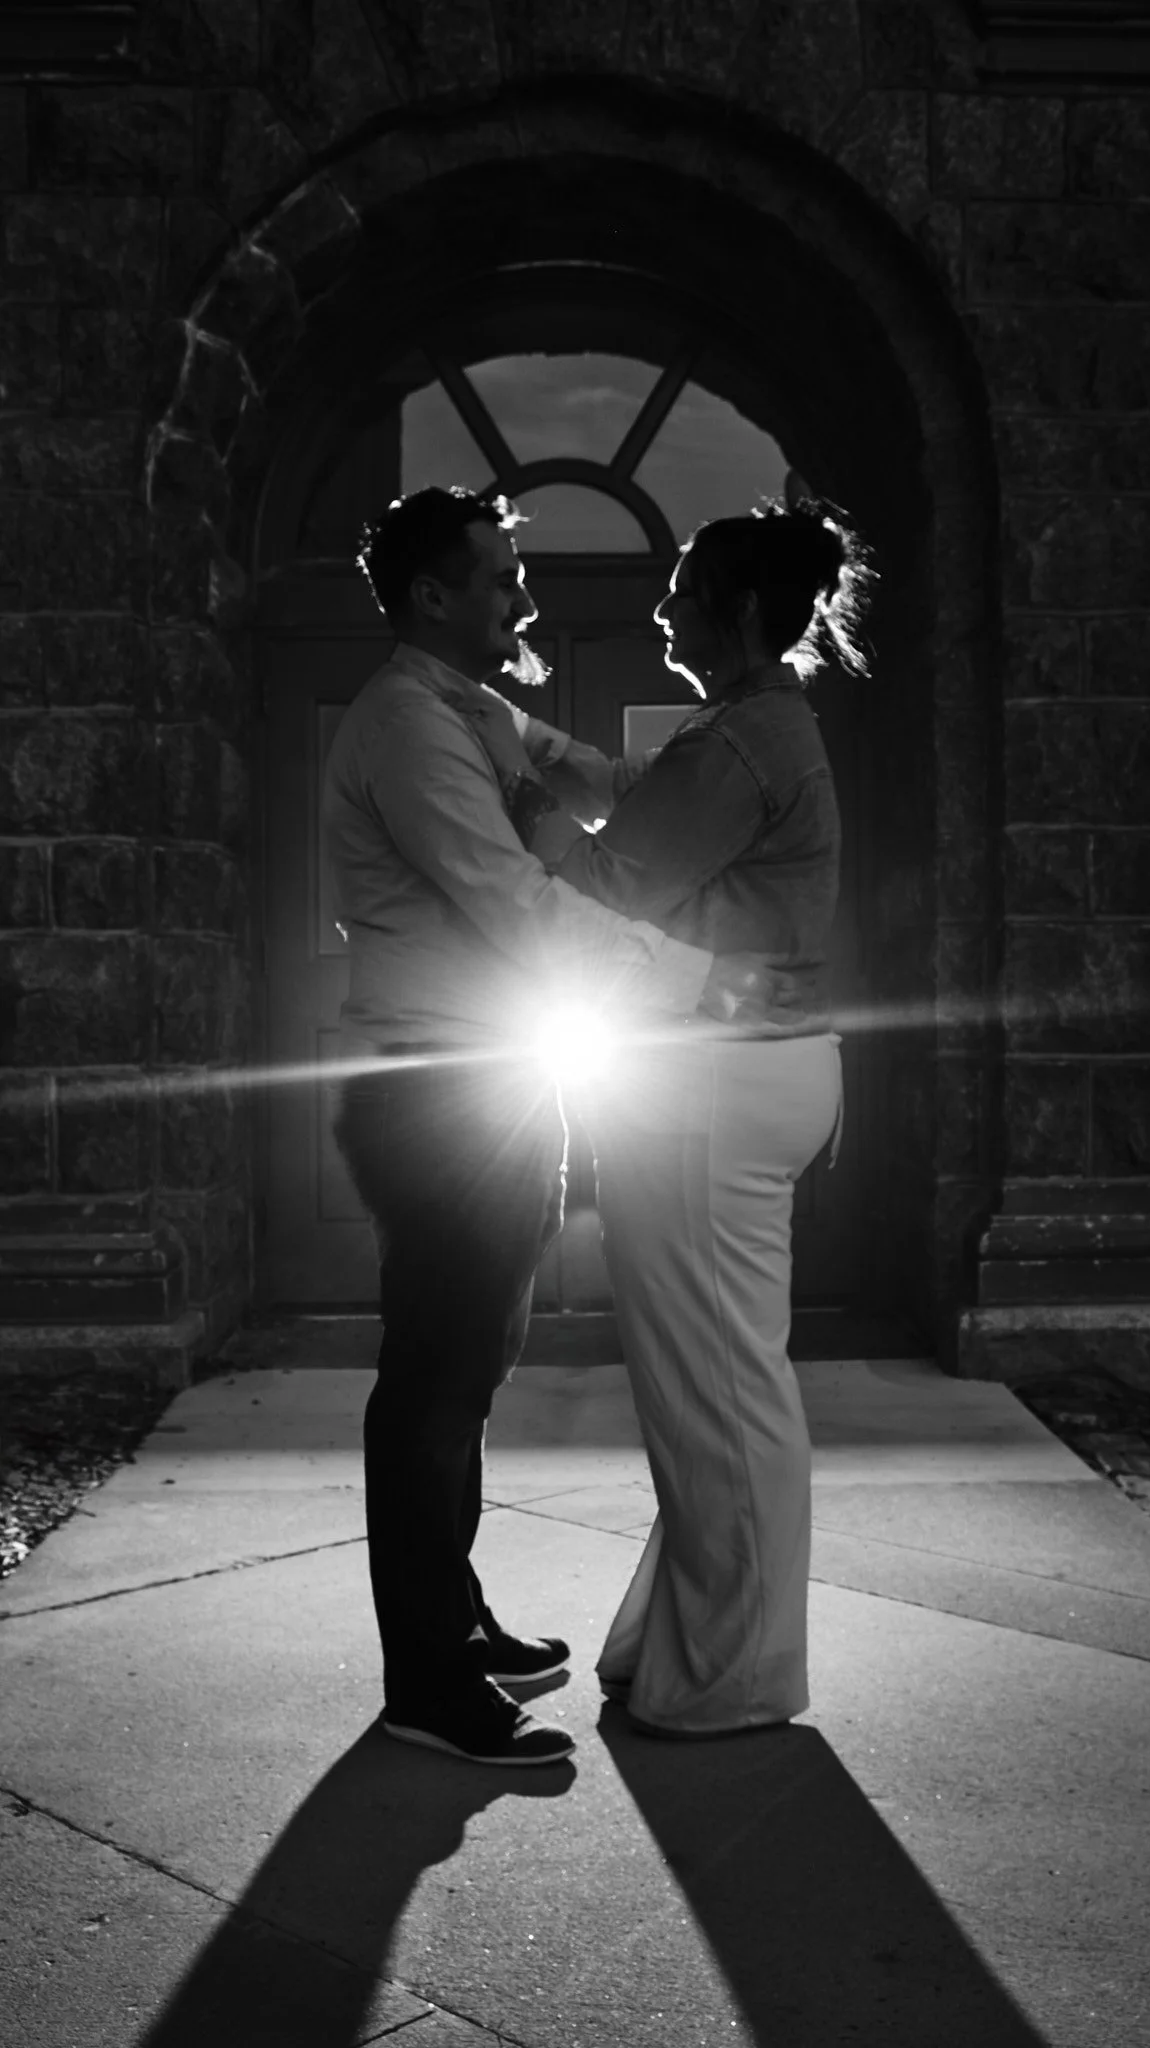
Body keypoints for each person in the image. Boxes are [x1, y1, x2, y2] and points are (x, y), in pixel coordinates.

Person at [322, 486, 771, 1769]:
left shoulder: (470, 705)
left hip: (492, 1074)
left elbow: (597, 778)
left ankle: (452, 1617)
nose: (524, 596)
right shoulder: (408, 725)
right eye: (502, 574)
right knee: (432, 1379)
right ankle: (425, 1682)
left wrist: (713, 783)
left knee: (473, 1365)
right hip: (432, 1083)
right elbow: (512, 897)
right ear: (432, 597)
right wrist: (690, 973)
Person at [474, 495, 877, 1738]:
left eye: (685, 586)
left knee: (718, 1384)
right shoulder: (758, 732)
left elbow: (602, 883)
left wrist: (507, 780)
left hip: (717, 1082)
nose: (661, 604)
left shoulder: (742, 743)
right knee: (717, 1375)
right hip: (752, 1072)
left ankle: (738, 1672)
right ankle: (691, 1641)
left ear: (744, 610)